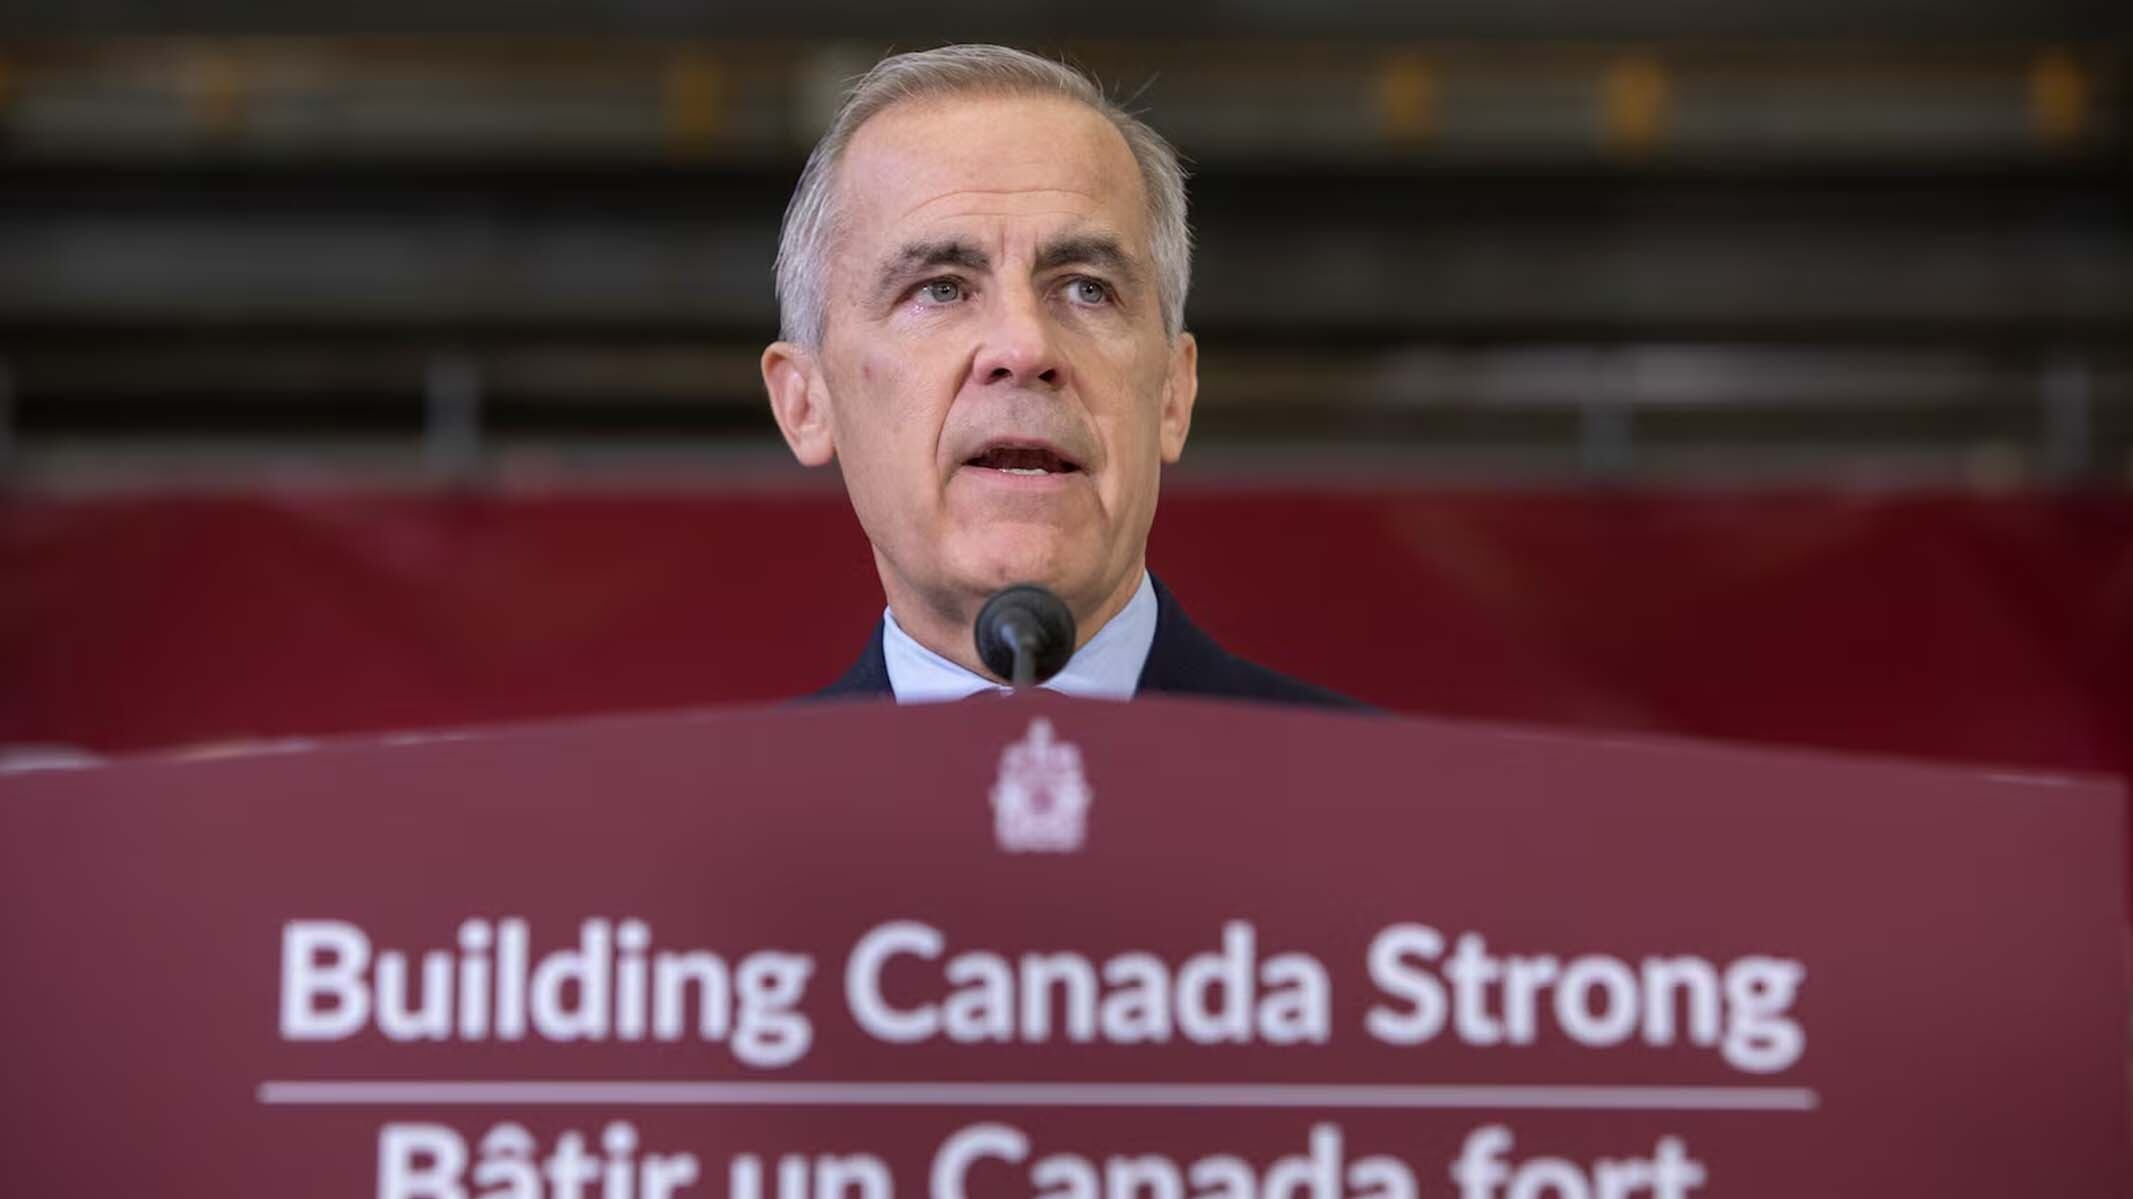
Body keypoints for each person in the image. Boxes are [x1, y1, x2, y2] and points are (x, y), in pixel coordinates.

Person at [761, 44, 1358, 709]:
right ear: (805, 402)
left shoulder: (1375, 774)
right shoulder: (725, 781)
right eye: (940, 289)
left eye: (1086, 289)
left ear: (1173, 393)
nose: (1025, 347)